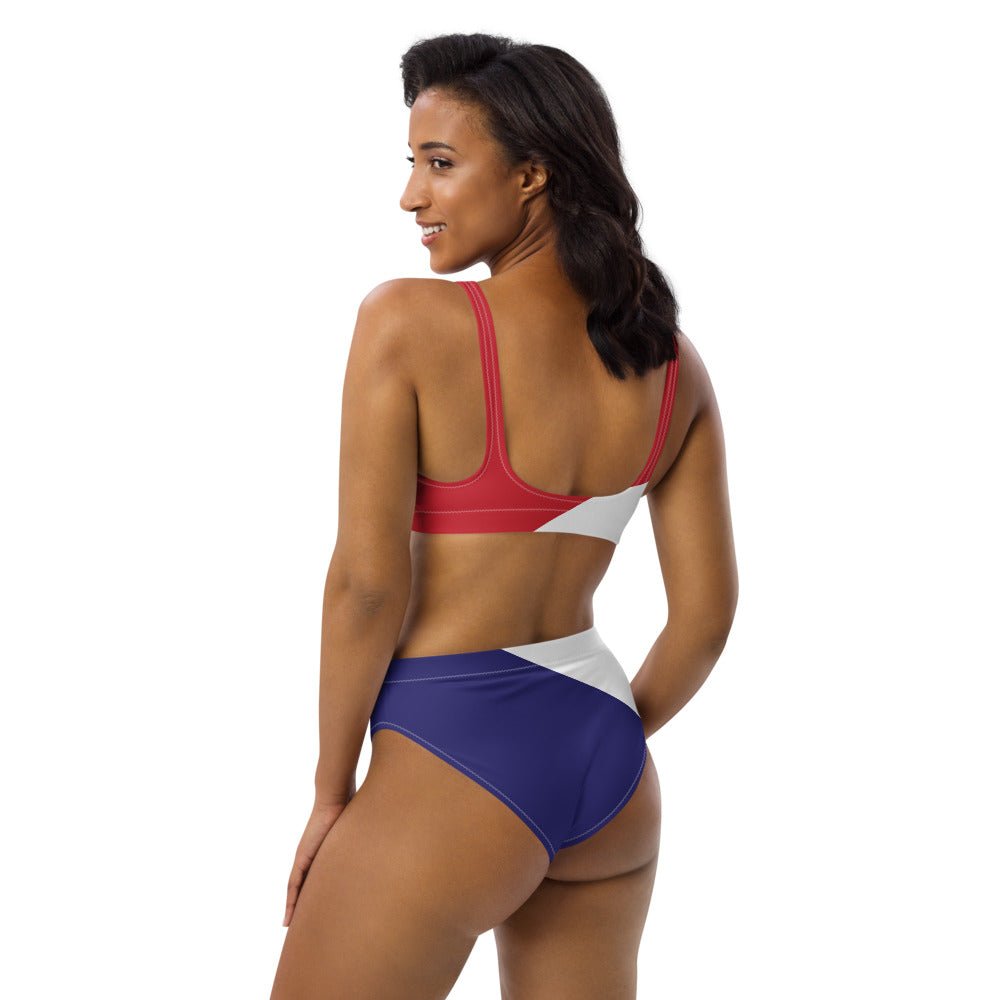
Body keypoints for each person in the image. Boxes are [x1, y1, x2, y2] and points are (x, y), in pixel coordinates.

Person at [270, 32, 738, 1000]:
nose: (411, 196)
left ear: (532, 175)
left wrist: (329, 792)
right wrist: (595, 734)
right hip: (610, 774)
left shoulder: (408, 323)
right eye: (412, 163)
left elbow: (366, 586)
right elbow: (704, 617)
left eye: (440, 163)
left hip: (452, 753)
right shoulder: (670, 362)